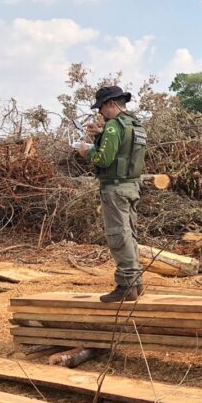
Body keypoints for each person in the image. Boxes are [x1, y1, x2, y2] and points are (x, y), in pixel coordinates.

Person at [77, 86, 147, 303]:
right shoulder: (135, 124)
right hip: (131, 187)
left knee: (118, 235)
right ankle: (136, 283)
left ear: (111, 104)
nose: (100, 113)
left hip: (115, 189)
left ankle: (126, 285)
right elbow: (124, 150)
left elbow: (104, 160)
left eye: (101, 108)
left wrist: (86, 151)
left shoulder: (113, 127)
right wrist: (101, 136)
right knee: (130, 235)